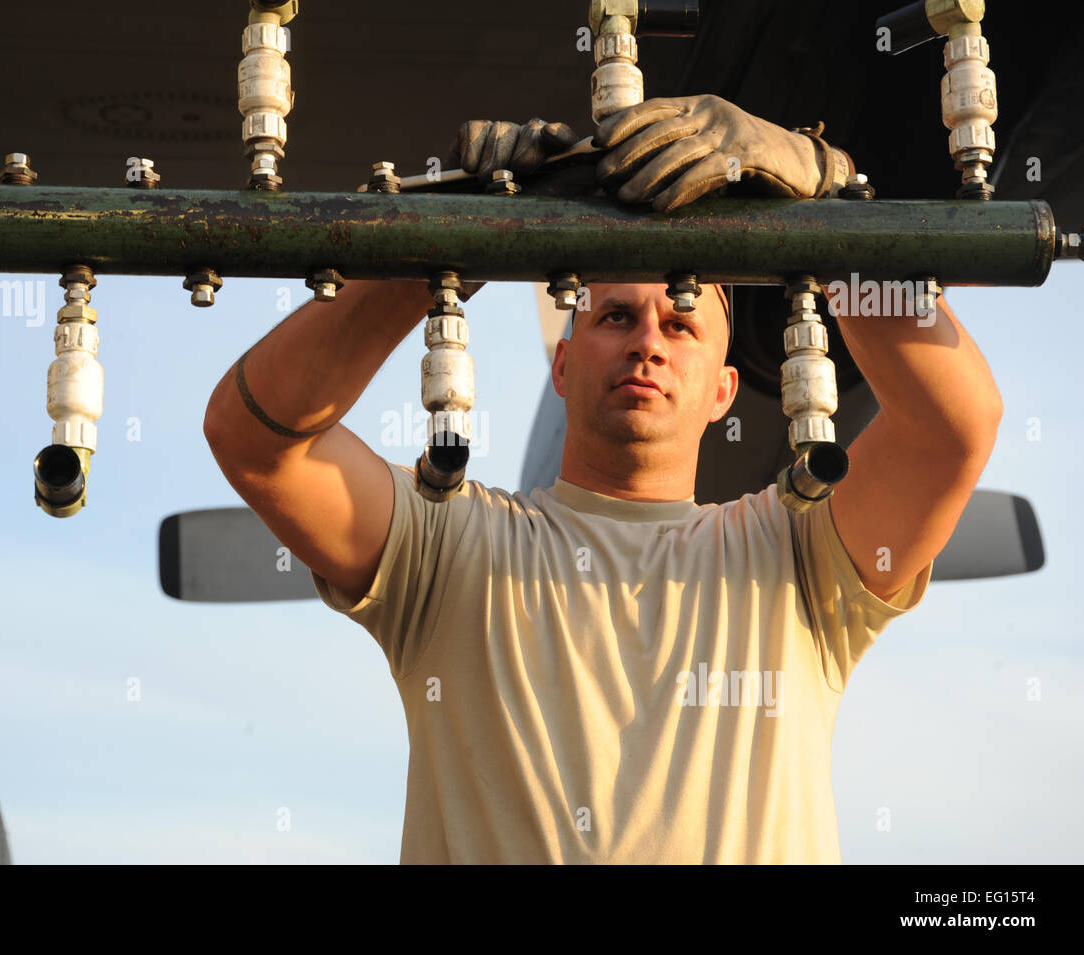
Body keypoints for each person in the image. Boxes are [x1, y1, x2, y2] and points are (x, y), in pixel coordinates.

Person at [203, 95, 1002, 863]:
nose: (648, 341)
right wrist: (443, 247)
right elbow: (256, 439)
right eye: (615, 316)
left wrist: (830, 215)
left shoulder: (797, 561)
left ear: (724, 387)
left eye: (682, 322)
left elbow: (955, 429)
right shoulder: (447, 551)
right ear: (560, 362)